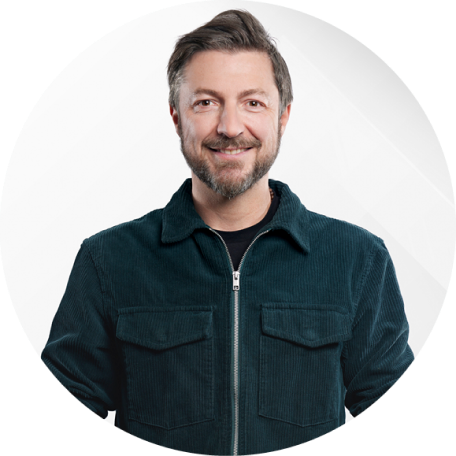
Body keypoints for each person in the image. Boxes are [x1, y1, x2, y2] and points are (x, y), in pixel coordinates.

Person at [41, 9, 415, 455]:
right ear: (177, 117)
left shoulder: (358, 259)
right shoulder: (108, 260)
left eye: (253, 103)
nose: (230, 127)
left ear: (283, 117)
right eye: (206, 102)